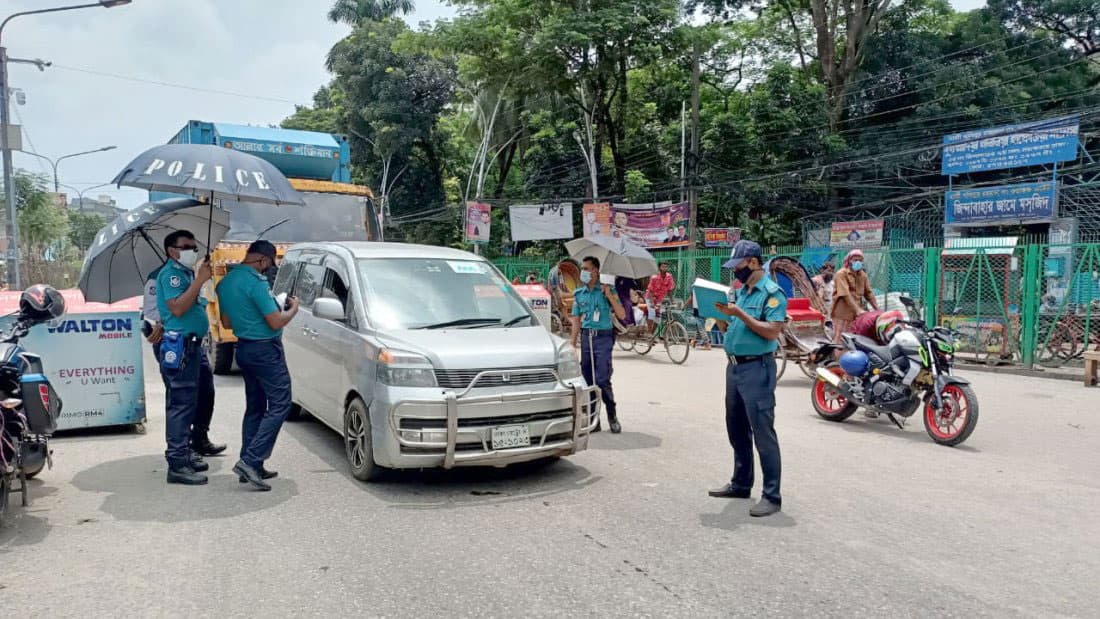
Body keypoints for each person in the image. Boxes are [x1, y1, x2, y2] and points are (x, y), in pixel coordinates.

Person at [708, 239, 787, 517]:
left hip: (757, 369)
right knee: (736, 428)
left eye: (738, 265)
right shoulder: (742, 292)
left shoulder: (771, 293)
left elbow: (771, 331)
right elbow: (734, 327)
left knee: (763, 433)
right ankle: (741, 483)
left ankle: (772, 496)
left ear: (752, 262)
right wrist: (718, 317)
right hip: (734, 368)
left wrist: (738, 312)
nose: (735, 271)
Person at [216, 240, 300, 491]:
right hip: (265, 350)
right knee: (280, 404)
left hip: (243, 349)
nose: (267, 269)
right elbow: (275, 322)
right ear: (262, 260)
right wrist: (292, 309)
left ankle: (252, 463)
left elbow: (227, 322)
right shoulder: (255, 282)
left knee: (255, 407)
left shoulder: (225, 283)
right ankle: (251, 461)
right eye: (268, 264)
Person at [156, 230, 225, 486]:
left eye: (194, 247)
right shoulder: (171, 274)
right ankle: (177, 464)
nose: (192, 251)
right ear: (172, 250)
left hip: (194, 346)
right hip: (181, 346)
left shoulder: (185, 273)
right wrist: (200, 280)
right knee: (181, 405)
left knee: (196, 399)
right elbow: (177, 307)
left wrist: (198, 278)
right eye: (186, 247)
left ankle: (186, 452)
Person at [570, 256, 627, 434]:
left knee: (602, 379)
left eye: (586, 268)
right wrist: (572, 343)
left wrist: (609, 296)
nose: (583, 272)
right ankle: (595, 420)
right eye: (582, 268)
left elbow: (622, 314)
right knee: (587, 381)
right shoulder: (579, 294)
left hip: (603, 338)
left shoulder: (607, 290)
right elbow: (576, 321)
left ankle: (612, 414)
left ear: (596, 271)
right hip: (587, 338)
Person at [831, 249, 878, 343]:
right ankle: (837, 356)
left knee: (853, 337)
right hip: (842, 312)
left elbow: (869, 293)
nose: (858, 262)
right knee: (840, 337)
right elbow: (845, 294)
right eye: (855, 260)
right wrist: (858, 310)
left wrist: (877, 309)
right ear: (849, 260)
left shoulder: (862, 275)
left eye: (860, 260)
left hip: (856, 313)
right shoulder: (841, 274)